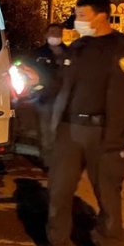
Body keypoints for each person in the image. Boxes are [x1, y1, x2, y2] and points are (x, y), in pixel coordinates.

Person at [28, 0, 124, 246]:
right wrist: (37, 84)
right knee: (58, 191)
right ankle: (57, 245)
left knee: (109, 197)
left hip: (108, 134)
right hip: (70, 131)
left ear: (100, 16)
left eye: (81, 15)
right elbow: (60, 85)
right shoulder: (78, 49)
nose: (77, 21)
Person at [31, 23, 68, 158]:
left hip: (63, 98)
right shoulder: (38, 54)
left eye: (58, 33)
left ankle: (58, 156)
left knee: (60, 129)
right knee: (45, 129)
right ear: (46, 35)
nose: (55, 35)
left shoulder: (68, 53)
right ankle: (47, 158)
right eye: (52, 32)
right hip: (43, 98)